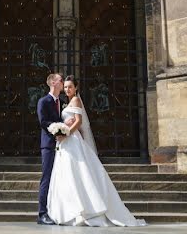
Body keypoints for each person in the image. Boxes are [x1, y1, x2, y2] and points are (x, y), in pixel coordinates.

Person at [47, 76, 146, 227]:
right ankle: (71, 208)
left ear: (76, 88)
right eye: (65, 87)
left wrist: (66, 134)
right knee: (69, 174)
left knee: (79, 172)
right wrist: (62, 130)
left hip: (72, 141)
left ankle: (87, 208)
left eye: (70, 87)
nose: (67, 90)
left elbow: (79, 121)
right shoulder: (66, 102)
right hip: (66, 143)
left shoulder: (76, 101)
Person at [36, 73, 64, 226]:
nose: (63, 82)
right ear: (53, 82)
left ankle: (57, 210)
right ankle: (42, 214)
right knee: (46, 178)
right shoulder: (43, 101)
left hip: (64, 146)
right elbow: (43, 121)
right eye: (61, 80)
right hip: (48, 144)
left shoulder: (63, 102)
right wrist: (57, 131)